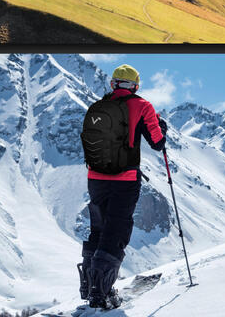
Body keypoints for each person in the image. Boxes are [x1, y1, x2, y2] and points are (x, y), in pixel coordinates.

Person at [80, 65, 167, 309]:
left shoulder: (100, 106)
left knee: (97, 229)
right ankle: (101, 293)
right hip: (124, 180)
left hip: (95, 178)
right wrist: (162, 127)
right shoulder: (142, 106)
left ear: (113, 84)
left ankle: (88, 286)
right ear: (135, 86)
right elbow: (158, 142)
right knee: (115, 232)